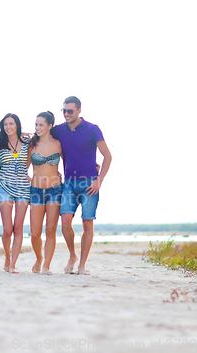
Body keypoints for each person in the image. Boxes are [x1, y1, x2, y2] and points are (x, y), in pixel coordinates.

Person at [50, 96, 112, 275]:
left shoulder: (92, 129)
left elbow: (108, 156)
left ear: (79, 111)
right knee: (65, 221)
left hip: (89, 183)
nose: (66, 114)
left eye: (70, 111)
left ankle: (82, 265)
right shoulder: (59, 130)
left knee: (87, 223)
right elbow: (42, 135)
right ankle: (72, 255)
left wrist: (99, 179)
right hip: (69, 183)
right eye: (64, 110)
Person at [27, 111, 63, 275]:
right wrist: (27, 178)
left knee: (50, 230)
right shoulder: (32, 144)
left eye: (41, 124)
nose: (37, 127)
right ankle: (39, 258)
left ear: (50, 126)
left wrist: (93, 167)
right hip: (36, 191)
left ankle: (47, 265)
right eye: (36, 124)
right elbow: (23, 167)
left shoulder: (58, 144)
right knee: (35, 233)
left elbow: (71, 161)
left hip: (55, 191)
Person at [0, 113, 30, 273]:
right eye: (5, 125)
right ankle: (7, 256)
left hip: (23, 188)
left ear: (17, 125)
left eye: (11, 124)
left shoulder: (28, 142)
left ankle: (13, 264)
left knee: (18, 227)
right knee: (7, 229)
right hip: (4, 187)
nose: (8, 127)